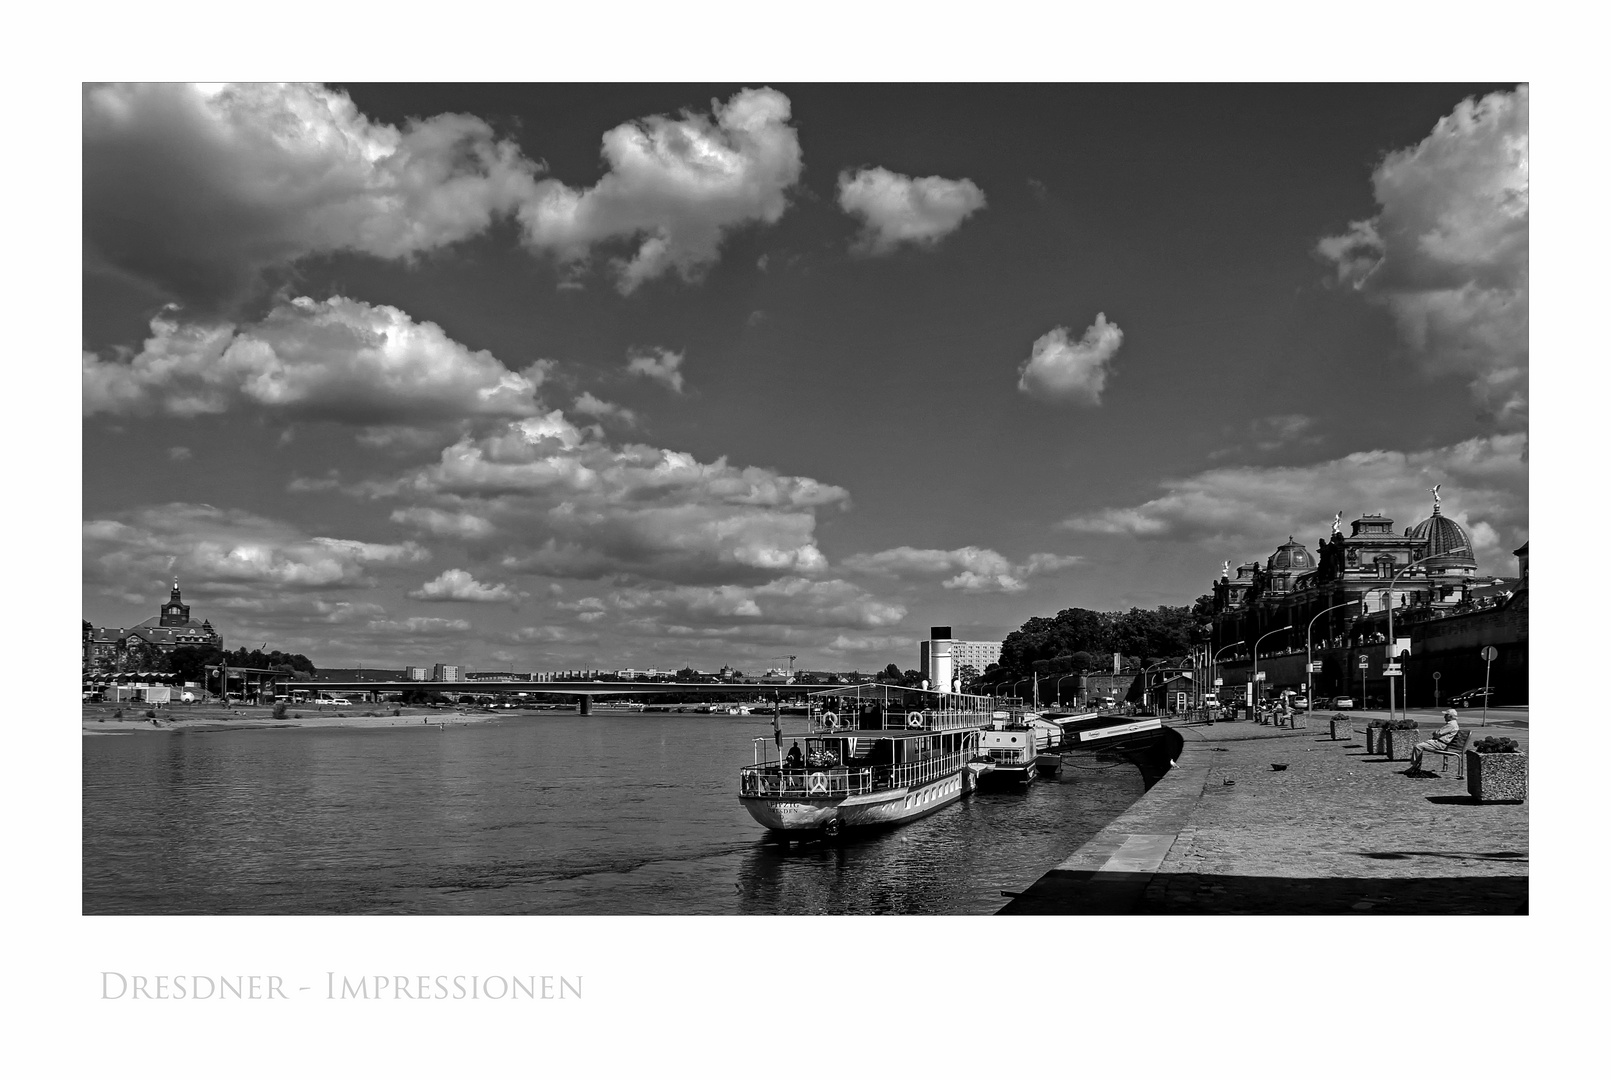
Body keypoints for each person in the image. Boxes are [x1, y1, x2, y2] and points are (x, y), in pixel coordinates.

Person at [1409, 709, 1460, 774]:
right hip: (1439, 742)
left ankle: (1415, 767)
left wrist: (1435, 733)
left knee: (1418, 746)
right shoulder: (1451, 724)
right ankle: (1415, 766)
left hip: (1440, 744)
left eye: (1446, 715)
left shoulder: (1451, 725)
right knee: (1420, 745)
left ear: (1450, 716)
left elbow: (1437, 733)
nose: (1444, 717)